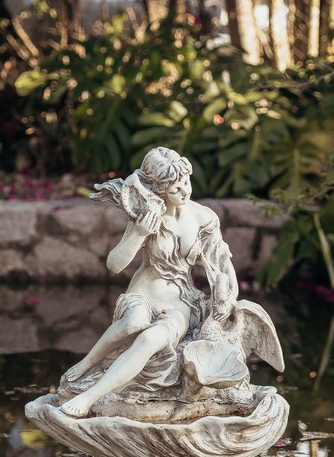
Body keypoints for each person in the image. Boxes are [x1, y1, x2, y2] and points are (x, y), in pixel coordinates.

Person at [60, 148, 239, 418]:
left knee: (150, 338)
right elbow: (114, 265)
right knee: (134, 323)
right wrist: (139, 232)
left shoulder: (204, 218)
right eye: (175, 188)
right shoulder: (149, 215)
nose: (185, 191)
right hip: (145, 292)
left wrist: (230, 297)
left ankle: (90, 396)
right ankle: (89, 361)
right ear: (158, 189)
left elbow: (223, 264)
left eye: (186, 182)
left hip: (180, 301)